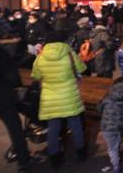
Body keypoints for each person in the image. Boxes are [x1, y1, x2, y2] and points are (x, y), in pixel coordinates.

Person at [0, 23, 36, 173]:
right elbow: (11, 74)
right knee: (15, 129)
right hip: (1, 97)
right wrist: (17, 87)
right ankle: (24, 159)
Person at [31, 30, 87, 170]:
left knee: (53, 129)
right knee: (75, 125)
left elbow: (36, 75)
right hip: (69, 96)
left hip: (50, 99)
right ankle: (81, 153)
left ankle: (55, 159)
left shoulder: (41, 56)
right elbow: (82, 68)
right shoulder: (69, 54)